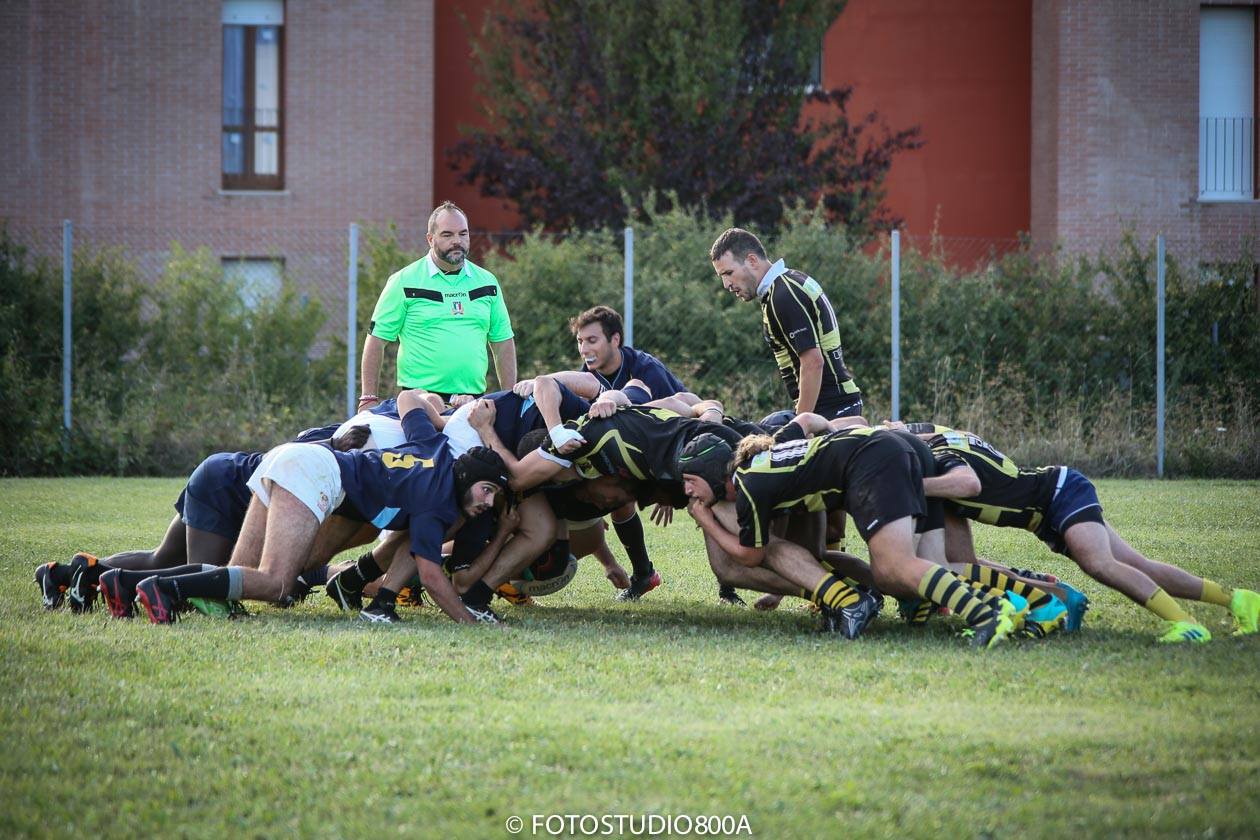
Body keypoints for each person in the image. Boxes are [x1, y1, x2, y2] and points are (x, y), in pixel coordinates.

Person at [121, 391, 510, 625]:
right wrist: (470, 621)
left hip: (293, 456)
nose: (488, 502)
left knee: (234, 580)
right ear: (465, 477)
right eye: (487, 490)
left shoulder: (431, 444)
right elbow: (432, 577)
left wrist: (441, 416)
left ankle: (121, 581)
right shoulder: (437, 502)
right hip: (314, 470)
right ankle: (162, 587)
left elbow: (410, 399)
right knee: (276, 584)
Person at [907, 423, 1260, 643]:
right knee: (1138, 564)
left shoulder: (942, 457)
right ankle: (1239, 600)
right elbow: (964, 564)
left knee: (1100, 564)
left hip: (1057, 493)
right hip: (1049, 505)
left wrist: (912, 484)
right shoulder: (946, 438)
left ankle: (1187, 624)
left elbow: (968, 484)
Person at [679, 422, 1022, 648]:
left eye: (690, 480)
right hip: (891, 449)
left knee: (893, 568)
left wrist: (707, 521)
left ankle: (987, 614)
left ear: (711, 472)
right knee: (926, 564)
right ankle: (1009, 605)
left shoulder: (749, 483)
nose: (687, 490)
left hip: (873, 460)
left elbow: (753, 555)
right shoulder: (764, 466)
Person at [358, 201, 516, 410]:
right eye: (447, 235)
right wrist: (368, 398)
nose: (457, 241)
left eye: (463, 234)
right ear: (430, 239)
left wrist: (510, 399)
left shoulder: (487, 281)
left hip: (473, 403)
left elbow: (502, 342)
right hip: (418, 403)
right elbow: (376, 340)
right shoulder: (403, 281)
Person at [708, 227, 864, 420]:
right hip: (838, 406)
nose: (726, 284)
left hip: (830, 411)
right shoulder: (789, 281)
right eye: (722, 277)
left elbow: (813, 363)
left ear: (752, 260)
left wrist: (800, 426)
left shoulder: (782, 296)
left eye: (729, 273)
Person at [571, 305, 690, 403]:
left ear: (615, 340)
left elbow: (681, 416)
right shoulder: (582, 380)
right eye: (580, 342)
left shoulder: (647, 369)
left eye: (592, 341)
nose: (583, 350)